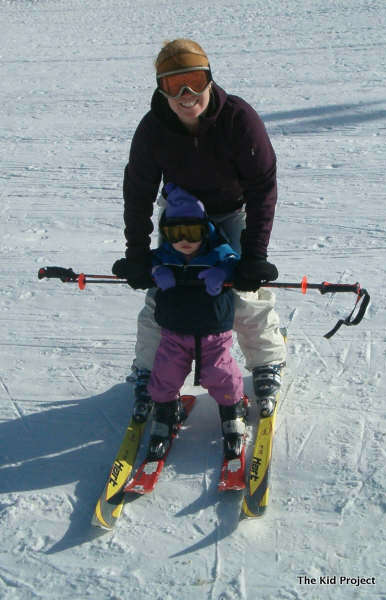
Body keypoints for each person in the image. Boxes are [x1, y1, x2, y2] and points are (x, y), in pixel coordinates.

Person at [112, 38, 286, 421]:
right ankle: (148, 370)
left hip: (228, 213)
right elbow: (137, 193)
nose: (186, 95)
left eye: (193, 81)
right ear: (161, 89)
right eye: (174, 86)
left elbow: (262, 187)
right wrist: (138, 254)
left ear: (209, 79)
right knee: (165, 290)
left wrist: (254, 256)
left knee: (246, 293)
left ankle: (266, 363)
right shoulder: (153, 128)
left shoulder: (238, 119)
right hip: (181, 220)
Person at [145, 183, 246, 460]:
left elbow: (235, 261)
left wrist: (223, 273)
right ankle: (166, 411)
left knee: (220, 375)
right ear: (166, 234)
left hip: (213, 333)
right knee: (164, 374)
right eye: (177, 233)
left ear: (205, 231)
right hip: (173, 332)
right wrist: (155, 270)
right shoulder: (164, 256)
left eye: (192, 232)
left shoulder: (217, 253)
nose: (185, 240)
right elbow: (147, 262)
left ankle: (232, 410)